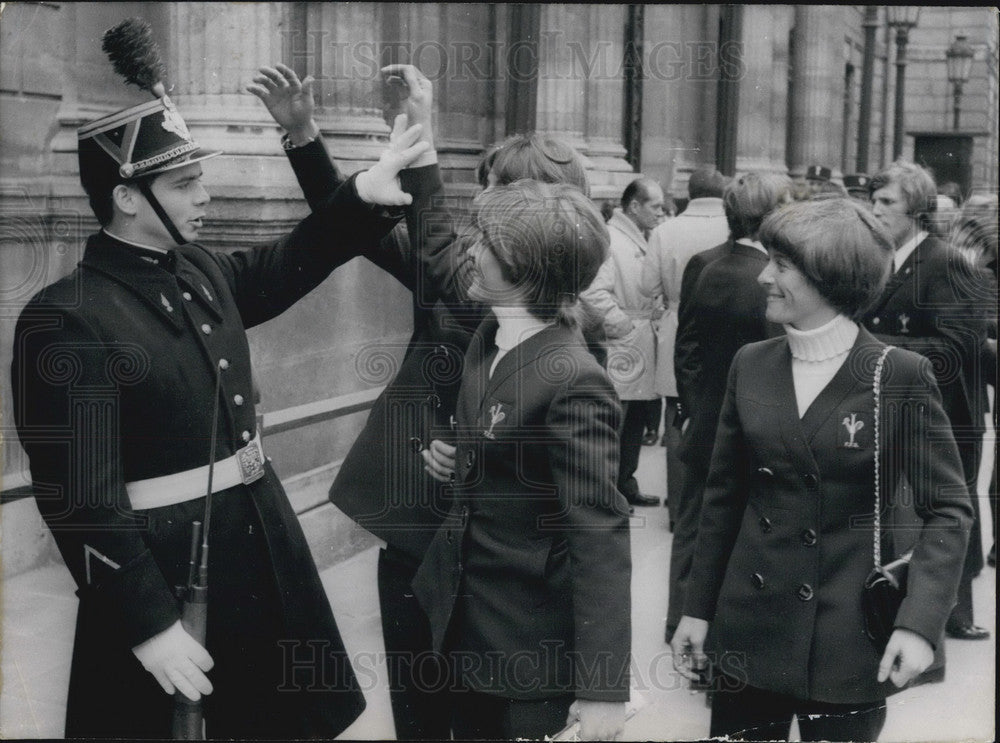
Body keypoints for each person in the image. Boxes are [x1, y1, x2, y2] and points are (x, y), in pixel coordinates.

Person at [9, 26, 432, 738]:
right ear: (128, 197)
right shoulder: (66, 318)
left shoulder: (197, 271)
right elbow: (80, 497)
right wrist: (146, 623)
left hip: (260, 554)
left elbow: (292, 259)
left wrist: (363, 193)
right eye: (185, 183)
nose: (205, 195)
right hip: (171, 577)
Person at [249, 62, 598, 739]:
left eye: (498, 190)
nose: (481, 202)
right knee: (418, 719)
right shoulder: (472, 268)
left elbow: (440, 267)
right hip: (415, 534)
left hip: (487, 559)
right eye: (486, 184)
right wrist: (303, 136)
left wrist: (425, 143)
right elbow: (354, 223)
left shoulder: (521, 307)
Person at [672, 197, 974, 741]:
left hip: (845, 641)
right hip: (749, 635)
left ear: (829, 277)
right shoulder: (752, 363)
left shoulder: (899, 375)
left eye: (781, 265)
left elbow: (948, 509)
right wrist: (696, 611)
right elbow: (723, 498)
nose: (764, 276)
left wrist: (919, 624)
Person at [415, 180, 631, 741]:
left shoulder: (574, 379)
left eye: (484, 239)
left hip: (529, 656)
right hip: (468, 628)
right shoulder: (490, 335)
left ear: (523, 268)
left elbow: (599, 535)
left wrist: (602, 689)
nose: (469, 247)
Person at [862, 160, 991, 640]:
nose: (874, 210)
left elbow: (959, 348)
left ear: (915, 208)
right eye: (872, 201)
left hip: (945, 413)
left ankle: (953, 614)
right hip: (895, 407)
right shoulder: (880, 260)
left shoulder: (948, 263)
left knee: (943, 506)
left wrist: (884, 354)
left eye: (886, 202)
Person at [665, 172, 789, 644]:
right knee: (733, 530)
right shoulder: (773, 282)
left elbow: (687, 347)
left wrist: (695, 406)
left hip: (705, 418)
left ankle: (678, 621)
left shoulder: (704, 263)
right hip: (749, 426)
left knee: (693, 524)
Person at [640, 167, 730, 514]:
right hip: (724, 330)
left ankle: (678, 504)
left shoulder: (666, 231)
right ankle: (713, 502)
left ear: (689, 194)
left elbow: (648, 287)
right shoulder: (731, 227)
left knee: (677, 412)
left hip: (679, 326)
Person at [581, 177, 666, 507]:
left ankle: (624, 483)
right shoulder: (612, 240)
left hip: (637, 339)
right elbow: (592, 292)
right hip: (623, 342)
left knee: (632, 421)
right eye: (655, 206)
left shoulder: (636, 237)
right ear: (634, 207)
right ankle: (607, 492)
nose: (661, 213)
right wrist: (623, 325)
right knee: (616, 420)